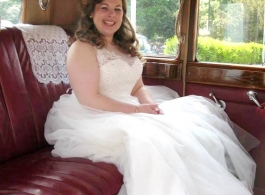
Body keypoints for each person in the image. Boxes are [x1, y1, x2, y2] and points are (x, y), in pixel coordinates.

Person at [44, 0, 259, 194]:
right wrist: (137, 111)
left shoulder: (122, 46)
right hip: (94, 114)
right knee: (151, 141)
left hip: (129, 107)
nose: (111, 15)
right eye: (104, 8)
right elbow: (89, 99)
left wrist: (148, 103)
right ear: (91, 13)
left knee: (188, 128)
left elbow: (137, 86)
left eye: (117, 9)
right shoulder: (82, 48)